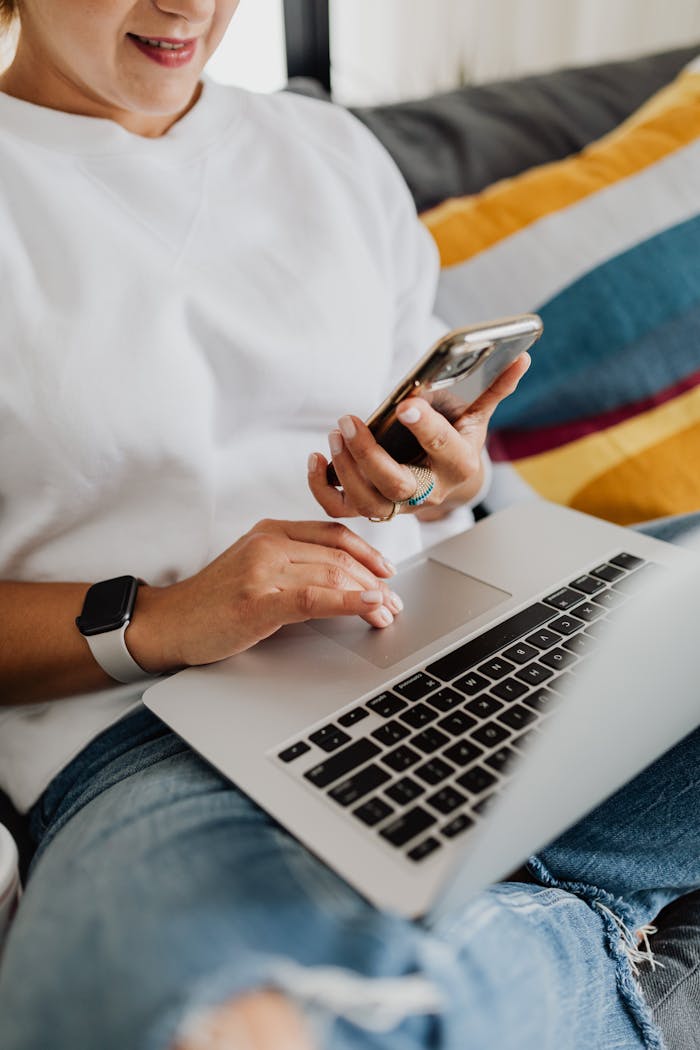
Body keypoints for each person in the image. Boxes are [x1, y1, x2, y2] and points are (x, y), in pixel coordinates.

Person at [0, 2, 697, 1049]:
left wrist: (438, 480)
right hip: (160, 737)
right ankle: (565, 938)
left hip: (462, 637)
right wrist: (163, 618)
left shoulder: (326, 151)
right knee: (160, 1017)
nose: (187, 6)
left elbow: (438, 470)